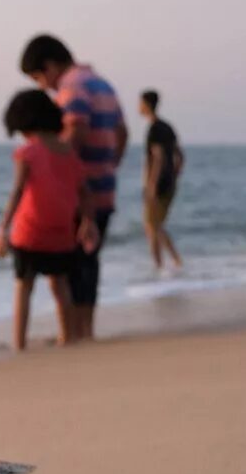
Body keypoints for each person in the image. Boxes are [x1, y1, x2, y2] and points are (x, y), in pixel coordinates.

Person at [19, 34, 126, 342]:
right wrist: (109, 166)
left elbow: (76, 129)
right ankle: (85, 330)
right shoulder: (102, 84)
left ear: (51, 65)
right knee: (89, 262)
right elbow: (122, 131)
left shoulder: (72, 86)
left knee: (72, 264)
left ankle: (75, 333)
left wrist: (54, 167)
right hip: (105, 187)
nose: (43, 86)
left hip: (80, 194)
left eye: (40, 77)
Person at [0, 90, 92, 351]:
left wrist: (2, 228)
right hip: (61, 234)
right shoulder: (69, 154)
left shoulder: (28, 153)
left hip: (29, 232)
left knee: (24, 288)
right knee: (61, 287)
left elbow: (17, 191)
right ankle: (68, 337)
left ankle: (19, 343)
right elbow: (84, 193)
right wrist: (88, 222)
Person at [137, 89, 185, 271]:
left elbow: (158, 157)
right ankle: (174, 261)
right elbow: (180, 156)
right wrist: (175, 174)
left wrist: (151, 185)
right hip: (169, 183)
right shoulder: (167, 127)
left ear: (147, 104)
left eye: (140, 103)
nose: (138, 107)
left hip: (158, 184)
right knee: (157, 225)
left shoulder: (155, 129)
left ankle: (159, 265)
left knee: (151, 226)